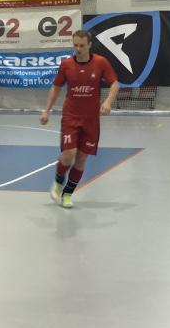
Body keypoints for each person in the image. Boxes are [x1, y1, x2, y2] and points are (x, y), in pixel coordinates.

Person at [39, 30, 119, 209]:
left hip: (91, 120)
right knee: (69, 154)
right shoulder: (66, 64)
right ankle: (58, 182)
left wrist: (107, 102)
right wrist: (47, 111)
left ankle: (68, 194)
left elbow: (114, 83)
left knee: (81, 158)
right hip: (71, 117)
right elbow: (56, 87)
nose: (78, 49)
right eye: (75, 45)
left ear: (89, 45)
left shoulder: (100, 62)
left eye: (82, 45)